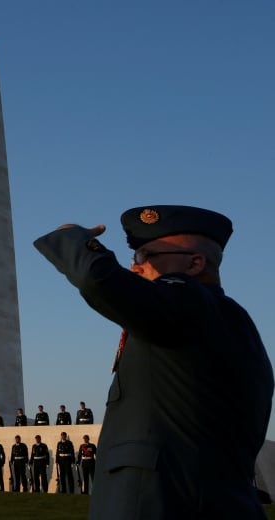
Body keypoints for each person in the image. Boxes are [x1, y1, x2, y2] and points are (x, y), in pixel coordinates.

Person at [34, 204, 273, 518]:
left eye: (144, 256)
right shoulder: (232, 321)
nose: (135, 267)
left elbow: (99, 280)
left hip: (160, 503)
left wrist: (73, 239)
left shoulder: (190, 303)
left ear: (194, 264)